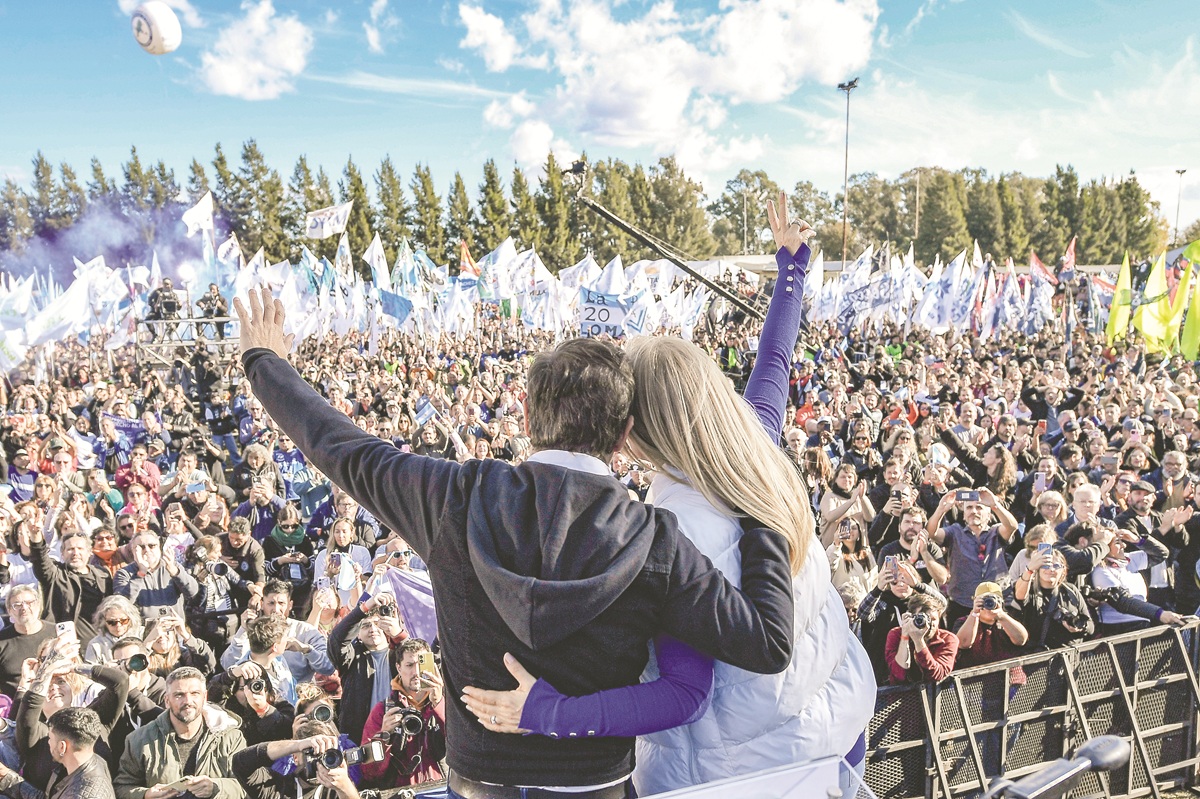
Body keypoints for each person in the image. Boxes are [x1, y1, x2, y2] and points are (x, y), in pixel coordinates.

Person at [236, 284, 797, 795]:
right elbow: (766, 643)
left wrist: (265, 363)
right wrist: (759, 506)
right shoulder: (657, 541)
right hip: (594, 785)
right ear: (626, 436)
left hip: (480, 778)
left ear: (527, 416)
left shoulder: (452, 495)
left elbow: (345, 450)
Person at [455, 200, 874, 794]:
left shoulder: (667, 533)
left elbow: (684, 695)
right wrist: (792, 269)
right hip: (841, 728)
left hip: (742, 775)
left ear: (632, 431)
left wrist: (545, 713)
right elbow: (773, 362)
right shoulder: (758, 449)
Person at [114, 666, 246, 799]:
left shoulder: (231, 737)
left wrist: (215, 787)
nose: (188, 701)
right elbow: (122, 787)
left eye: (195, 693)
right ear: (167, 700)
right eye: (179, 695)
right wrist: (145, 795)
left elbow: (245, 786)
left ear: (205, 697)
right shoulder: (140, 740)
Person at [360, 639, 446, 788]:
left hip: (441, 789)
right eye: (410, 665)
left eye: (421, 664)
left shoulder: (445, 704)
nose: (417, 672)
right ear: (398, 668)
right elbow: (369, 772)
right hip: (400, 792)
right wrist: (384, 736)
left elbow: (464, 745)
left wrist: (439, 704)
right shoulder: (383, 711)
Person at [0, 707, 115, 799]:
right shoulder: (91, 762)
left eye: (49, 738)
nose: (48, 742)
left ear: (62, 747)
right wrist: (6, 776)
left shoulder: (82, 794)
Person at [232, 721, 361, 799]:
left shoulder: (336, 791)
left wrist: (344, 786)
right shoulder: (276, 787)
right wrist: (297, 745)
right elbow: (240, 763)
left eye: (327, 753)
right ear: (295, 757)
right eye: (312, 753)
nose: (320, 761)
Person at [114, 531, 201, 620]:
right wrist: (141, 572)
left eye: (152, 546)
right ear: (133, 551)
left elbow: (192, 592)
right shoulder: (124, 573)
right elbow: (122, 604)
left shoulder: (172, 566)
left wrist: (175, 572)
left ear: (159, 547)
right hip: (144, 631)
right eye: (141, 547)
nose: (147, 550)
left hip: (174, 627)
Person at [884, 593, 958, 684]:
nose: (929, 624)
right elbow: (899, 674)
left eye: (933, 619)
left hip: (934, 695)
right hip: (903, 696)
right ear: (911, 617)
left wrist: (919, 641)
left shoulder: (948, 639)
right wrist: (905, 636)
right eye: (921, 618)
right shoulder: (896, 634)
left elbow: (936, 675)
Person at [0, 586, 56, 697]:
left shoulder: (57, 633)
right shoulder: (2, 641)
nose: (24, 608)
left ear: (39, 605)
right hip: (15, 707)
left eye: (29, 602)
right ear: (9, 611)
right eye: (17, 605)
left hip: (54, 701)